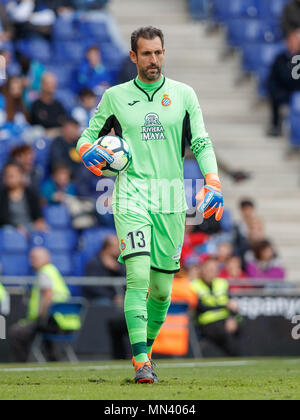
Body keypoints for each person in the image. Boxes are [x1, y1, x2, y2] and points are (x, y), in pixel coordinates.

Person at [77, 26, 224, 384]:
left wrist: (213, 182)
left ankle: (146, 350)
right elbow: (86, 139)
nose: (153, 60)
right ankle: (141, 361)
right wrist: (89, 154)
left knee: (161, 291)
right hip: (132, 196)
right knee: (138, 277)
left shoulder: (184, 95)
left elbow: (201, 142)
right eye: (146, 54)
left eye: (158, 53)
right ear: (134, 57)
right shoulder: (114, 97)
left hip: (171, 200)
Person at [9, 247, 81, 363]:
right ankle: (53, 358)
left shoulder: (44, 273)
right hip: (66, 323)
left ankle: (22, 363)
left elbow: (48, 295)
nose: (31, 261)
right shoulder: (53, 271)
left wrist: (41, 316)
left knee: (16, 332)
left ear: (46, 258)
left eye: (34, 258)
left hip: (53, 322)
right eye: (31, 258)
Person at [192, 257, 241, 357]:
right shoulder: (194, 285)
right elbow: (200, 307)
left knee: (240, 325)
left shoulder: (222, 283)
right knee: (223, 332)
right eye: (209, 269)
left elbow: (231, 304)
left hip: (225, 319)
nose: (212, 272)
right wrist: (223, 306)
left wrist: (231, 318)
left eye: (214, 270)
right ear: (202, 270)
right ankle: (235, 358)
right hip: (207, 322)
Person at [267, 31, 300, 137]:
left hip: (297, 90)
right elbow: (273, 77)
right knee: (274, 95)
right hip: (283, 90)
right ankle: (275, 126)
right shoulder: (280, 58)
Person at [0, 163, 47, 234]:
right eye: (7, 175)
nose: (9, 177)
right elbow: (2, 219)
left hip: (30, 227)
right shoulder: (2, 195)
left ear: (21, 175)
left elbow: (38, 216)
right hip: (10, 228)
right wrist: (17, 227)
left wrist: (39, 222)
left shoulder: (31, 193)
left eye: (12, 175)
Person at [83, 235, 126, 302]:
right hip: (99, 299)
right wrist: (112, 297)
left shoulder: (120, 262)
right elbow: (93, 287)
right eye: (117, 246)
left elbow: (127, 279)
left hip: (119, 297)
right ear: (108, 248)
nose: (120, 249)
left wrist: (117, 269)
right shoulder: (93, 263)